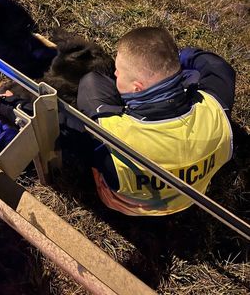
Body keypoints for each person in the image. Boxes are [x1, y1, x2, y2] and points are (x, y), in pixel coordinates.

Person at [77, 26, 235, 216]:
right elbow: (218, 66)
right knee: (193, 76)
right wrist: (173, 58)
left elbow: (76, 140)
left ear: (137, 88)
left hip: (133, 206)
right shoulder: (217, 110)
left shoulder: (110, 135)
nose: (116, 74)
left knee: (91, 82)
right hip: (192, 199)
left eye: (118, 71)